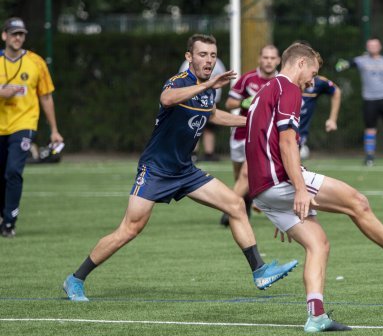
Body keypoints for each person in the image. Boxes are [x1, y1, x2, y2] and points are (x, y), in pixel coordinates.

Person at [62, 34, 297, 302]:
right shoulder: (180, 82)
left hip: (185, 170)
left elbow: (213, 114)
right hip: (156, 170)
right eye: (202, 55)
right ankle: (76, 279)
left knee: (234, 204)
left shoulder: (208, 89)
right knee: (129, 229)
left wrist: (253, 122)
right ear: (189, 57)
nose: (208, 60)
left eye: (212, 55)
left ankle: (260, 271)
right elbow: (167, 99)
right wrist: (207, 84)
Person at [247, 42, 383, 332]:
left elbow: (256, 142)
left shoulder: (264, 92)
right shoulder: (290, 89)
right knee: (357, 202)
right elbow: (285, 143)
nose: (312, 81)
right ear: (300, 63)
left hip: (263, 188)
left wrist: (272, 199)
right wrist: (298, 190)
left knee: (318, 244)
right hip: (281, 179)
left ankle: (316, 315)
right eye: (313, 73)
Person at [0, 17, 63, 238]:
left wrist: (54, 129)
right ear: (4, 36)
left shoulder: (36, 62)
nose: (18, 38)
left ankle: (9, 222)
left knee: (13, 172)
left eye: (21, 34)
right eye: (14, 33)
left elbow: (46, 97)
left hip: (24, 124)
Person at [219, 45, 280, 227]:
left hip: (263, 137)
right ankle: (243, 203)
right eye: (266, 57)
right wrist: (244, 101)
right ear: (260, 59)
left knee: (247, 173)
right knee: (240, 177)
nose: (269, 61)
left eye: (272, 58)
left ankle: (228, 209)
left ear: (278, 60)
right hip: (240, 134)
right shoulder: (247, 79)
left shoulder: (282, 81)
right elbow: (229, 103)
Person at [336, 37, 383, 166]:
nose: (373, 47)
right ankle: (369, 158)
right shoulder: (361, 60)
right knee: (370, 129)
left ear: (380, 47)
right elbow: (348, 64)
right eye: (370, 45)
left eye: (375, 45)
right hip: (369, 100)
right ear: (367, 47)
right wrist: (342, 64)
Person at [179, 57, 227, 162]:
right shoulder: (187, 64)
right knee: (194, 126)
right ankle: (192, 153)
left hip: (211, 100)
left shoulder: (218, 63)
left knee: (210, 127)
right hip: (193, 100)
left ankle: (209, 153)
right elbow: (181, 81)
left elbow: (222, 79)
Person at [299, 75, 341, 159]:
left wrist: (332, 119)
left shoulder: (318, 82)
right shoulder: (282, 80)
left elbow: (336, 91)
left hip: (300, 135)